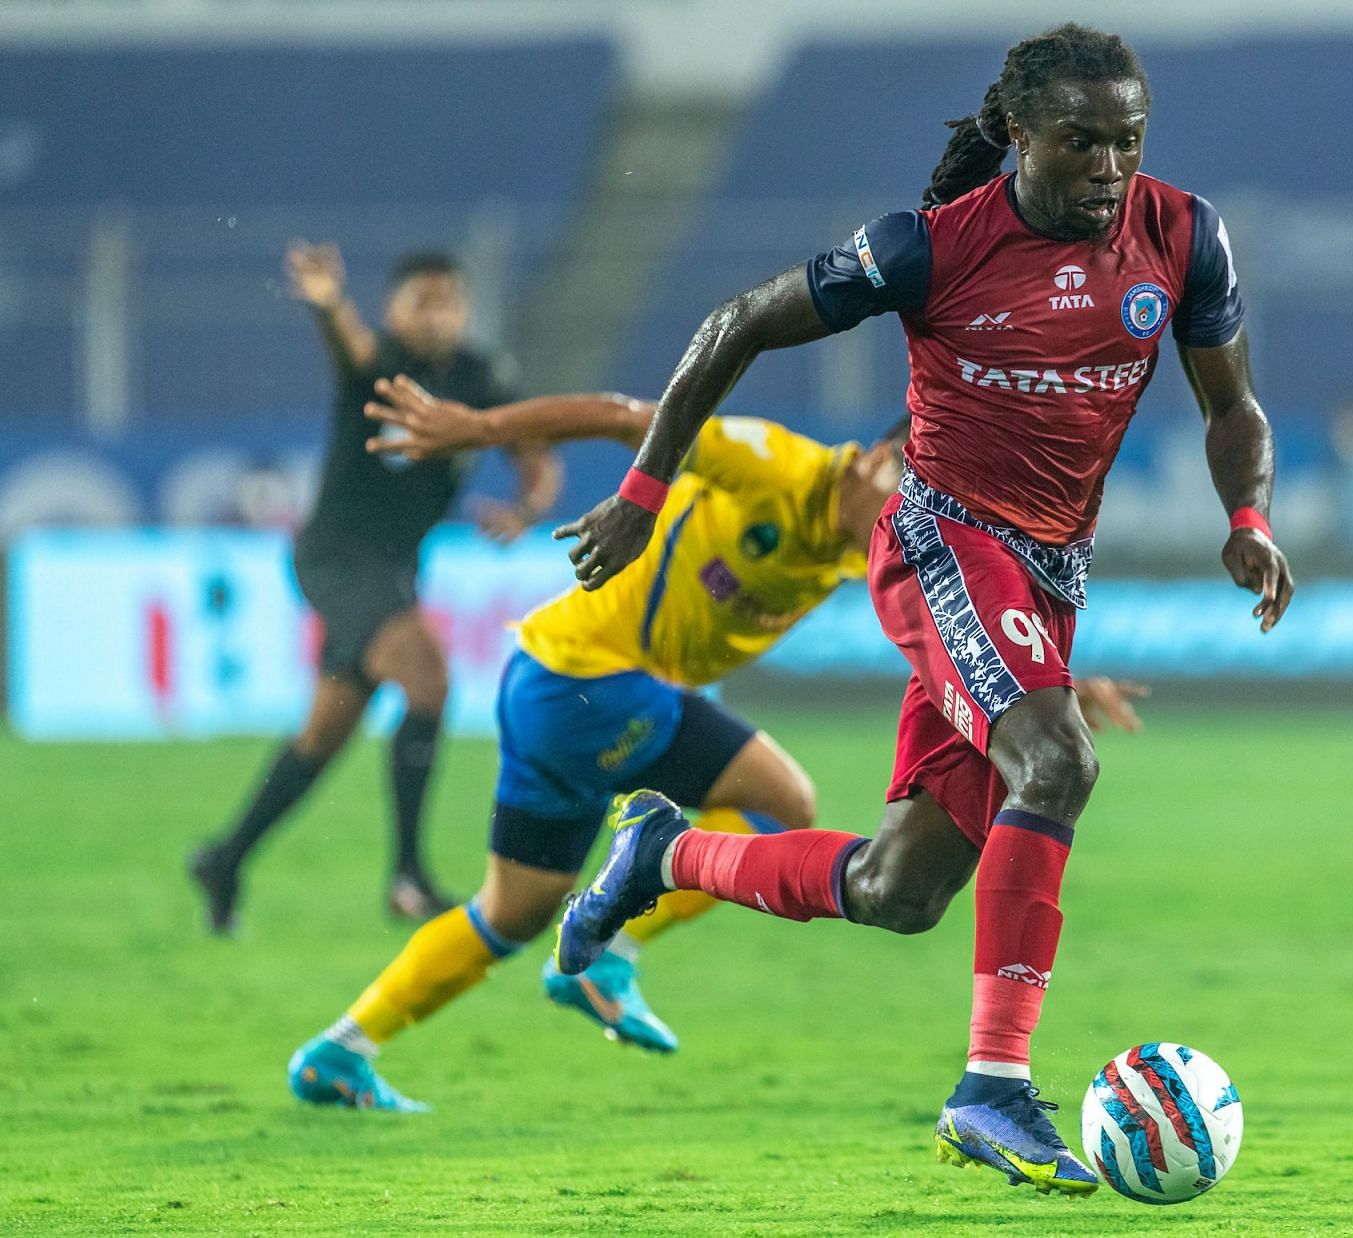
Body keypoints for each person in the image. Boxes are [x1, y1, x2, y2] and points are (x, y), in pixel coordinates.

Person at [550, 22, 1290, 1196]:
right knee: (1058, 762)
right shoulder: (929, 250)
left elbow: (1233, 403)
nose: (1111, 166)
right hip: (944, 539)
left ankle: (664, 850)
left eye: (1129, 140)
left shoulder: (1183, 235)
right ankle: (992, 1087)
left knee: (903, 891)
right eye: (1084, 141)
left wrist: (1246, 519)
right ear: (1021, 136)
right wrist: (645, 490)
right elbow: (739, 321)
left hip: (1049, 575)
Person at [282, 374, 1154, 1110]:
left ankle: (342, 1049)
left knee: (509, 914)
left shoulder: (877, 550)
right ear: (878, 462)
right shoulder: (772, 462)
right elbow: (634, 418)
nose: (906, 521)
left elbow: (963, 646)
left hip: (550, 684)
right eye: (905, 496)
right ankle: (611, 955)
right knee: (785, 802)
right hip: (588, 679)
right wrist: (478, 428)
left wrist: (1055, 690)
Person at [187, 244, 561, 933]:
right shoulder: (380, 364)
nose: (439, 315)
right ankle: (408, 876)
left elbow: (536, 453)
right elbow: (347, 346)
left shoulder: (480, 376)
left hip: (393, 570)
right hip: (334, 559)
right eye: (423, 300)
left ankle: (225, 858)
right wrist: (329, 303)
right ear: (393, 308)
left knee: (326, 731)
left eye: (450, 301)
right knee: (428, 677)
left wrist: (528, 509)